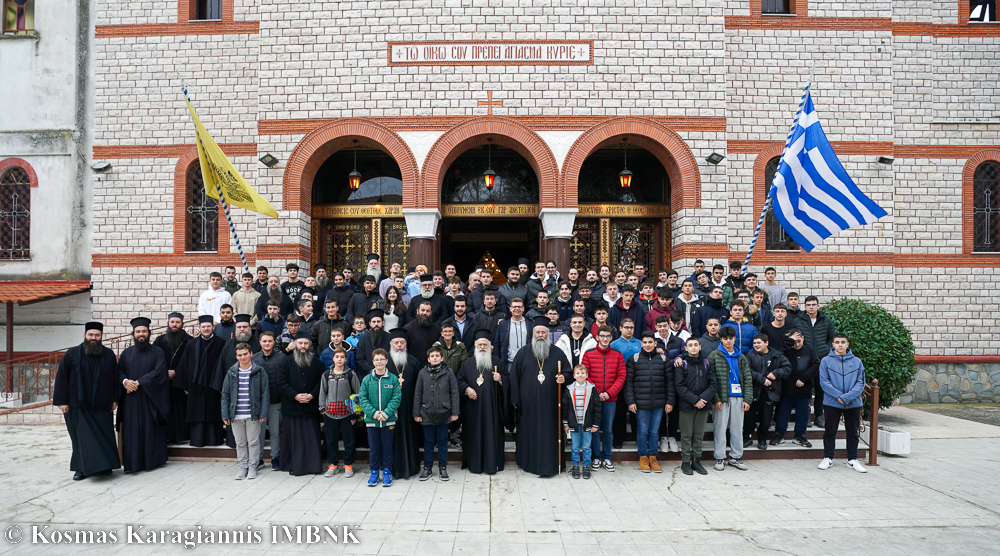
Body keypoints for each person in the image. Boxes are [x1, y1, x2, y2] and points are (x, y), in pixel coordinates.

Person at [53, 322, 121, 480]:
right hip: (77, 406)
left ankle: (105, 467)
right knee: (80, 439)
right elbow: (61, 378)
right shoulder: (71, 354)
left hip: (102, 406)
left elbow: (114, 379)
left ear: (101, 336)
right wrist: (62, 402)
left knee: (104, 436)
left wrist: (114, 399)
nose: (93, 338)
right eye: (90, 335)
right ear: (84, 335)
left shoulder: (109, 354)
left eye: (97, 335)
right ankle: (81, 469)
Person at [509, 318, 569, 476]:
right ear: (533, 334)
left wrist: (564, 378)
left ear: (547, 334)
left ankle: (551, 464)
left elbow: (569, 372)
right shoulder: (523, 352)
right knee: (529, 434)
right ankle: (528, 463)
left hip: (550, 405)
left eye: (543, 332)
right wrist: (515, 400)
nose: (540, 335)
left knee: (549, 434)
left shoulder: (557, 352)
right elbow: (513, 377)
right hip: (528, 405)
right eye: (538, 332)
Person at [117, 317, 170, 474]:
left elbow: (160, 372)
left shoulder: (157, 352)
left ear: (149, 333)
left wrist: (139, 382)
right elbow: (119, 371)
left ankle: (151, 462)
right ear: (133, 333)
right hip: (131, 400)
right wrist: (126, 382)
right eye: (138, 332)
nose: (141, 334)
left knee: (150, 430)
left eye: (144, 332)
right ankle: (133, 463)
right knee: (132, 431)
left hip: (150, 399)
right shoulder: (126, 353)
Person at [456, 331, 507, 475]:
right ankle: (474, 464)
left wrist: (501, 379)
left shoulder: (498, 363)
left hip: (493, 410)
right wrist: (467, 389)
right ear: (475, 347)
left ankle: (493, 464)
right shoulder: (468, 363)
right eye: (480, 345)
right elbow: (459, 381)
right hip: (473, 410)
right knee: (473, 435)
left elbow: (509, 382)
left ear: (490, 347)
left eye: (485, 344)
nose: (482, 347)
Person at [173, 315, 228, 447]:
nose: (206, 329)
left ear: (213, 327)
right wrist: (185, 385)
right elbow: (184, 365)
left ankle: (214, 440)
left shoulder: (221, 343)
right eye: (203, 327)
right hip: (195, 388)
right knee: (197, 414)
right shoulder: (191, 344)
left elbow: (225, 364)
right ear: (199, 328)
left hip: (214, 387)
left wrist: (223, 386)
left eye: (209, 326)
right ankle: (198, 440)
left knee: (213, 413)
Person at [818, 334, 868, 473]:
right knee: (830, 431)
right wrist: (839, 396)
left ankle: (852, 459)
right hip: (832, 403)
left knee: (852, 432)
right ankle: (828, 458)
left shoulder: (857, 362)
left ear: (847, 344)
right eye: (837, 342)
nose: (840, 345)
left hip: (853, 403)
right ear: (832, 344)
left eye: (843, 342)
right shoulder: (826, 361)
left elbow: (860, 382)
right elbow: (824, 382)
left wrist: (848, 397)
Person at [277, 333, 324, 476]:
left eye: (305, 343)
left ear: (309, 345)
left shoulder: (317, 362)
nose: (303, 346)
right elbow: (281, 383)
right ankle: (293, 465)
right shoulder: (285, 362)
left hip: (310, 407)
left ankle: (313, 466)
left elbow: (320, 382)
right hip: (292, 408)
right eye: (300, 343)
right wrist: (295, 396)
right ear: (295, 344)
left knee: (311, 440)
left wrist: (311, 395)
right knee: (294, 440)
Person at [624, 331, 672, 473]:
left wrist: (669, 401)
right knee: (643, 430)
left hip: (658, 402)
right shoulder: (634, 359)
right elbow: (629, 383)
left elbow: (669, 382)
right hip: (641, 403)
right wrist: (631, 401)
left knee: (654, 431)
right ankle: (643, 456)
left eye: (650, 342)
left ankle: (653, 457)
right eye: (644, 342)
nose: (647, 345)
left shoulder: (663, 359)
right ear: (641, 344)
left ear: (655, 343)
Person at [707, 326, 753, 472]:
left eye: (731, 338)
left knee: (737, 428)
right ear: (721, 339)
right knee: (720, 428)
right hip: (721, 398)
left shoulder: (741, 357)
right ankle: (719, 457)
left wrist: (747, 399)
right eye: (725, 338)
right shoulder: (714, 355)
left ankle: (735, 457)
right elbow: (710, 379)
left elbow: (747, 379)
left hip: (738, 397)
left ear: (734, 339)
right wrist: (715, 399)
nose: (728, 341)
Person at [220, 342, 268, 480]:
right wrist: (225, 413)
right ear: (236, 356)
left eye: (245, 354)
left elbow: (265, 393)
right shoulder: (232, 372)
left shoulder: (259, 371)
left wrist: (263, 413)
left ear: (251, 353)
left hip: (253, 414)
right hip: (236, 414)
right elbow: (225, 394)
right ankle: (242, 467)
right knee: (240, 442)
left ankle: (253, 467)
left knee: (253, 442)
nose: (243, 357)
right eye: (240, 355)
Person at [581, 325, 626, 472]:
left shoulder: (618, 354)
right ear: (597, 337)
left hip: (611, 399)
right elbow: (585, 375)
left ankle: (607, 456)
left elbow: (621, 376)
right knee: (594, 429)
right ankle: (596, 457)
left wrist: (609, 393)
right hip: (594, 399)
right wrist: (597, 393)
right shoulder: (588, 354)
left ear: (611, 338)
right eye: (603, 336)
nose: (605, 339)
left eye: (608, 336)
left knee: (608, 430)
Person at [413, 345, 461, 481]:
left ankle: (443, 467)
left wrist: (454, 412)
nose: (435, 358)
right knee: (428, 442)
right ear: (428, 358)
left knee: (442, 441)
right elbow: (418, 393)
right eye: (432, 356)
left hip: (444, 413)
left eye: (437, 356)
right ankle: (427, 467)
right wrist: (416, 413)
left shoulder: (449, 372)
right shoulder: (422, 373)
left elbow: (454, 392)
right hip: (426, 412)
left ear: (442, 358)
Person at [358, 348, 402, 487]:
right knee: (374, 447)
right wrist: (374, 413)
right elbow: (363, 399)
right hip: (372, 421)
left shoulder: (393, 379)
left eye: (382, 359)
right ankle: (374, 472)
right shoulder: (366, 380)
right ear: (373, 362)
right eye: (376, 360)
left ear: (386, 361)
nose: (379, 362)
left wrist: (385, 413)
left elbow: (396, 398)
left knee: (387, 447)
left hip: (388, 420)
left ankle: (387, 472)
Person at [675, 337, 716, 476]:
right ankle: (685, 461)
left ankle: (697, 461)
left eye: (695, 345)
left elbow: (713, 385)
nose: (693, 347)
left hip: (703, 405)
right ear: (685, 348)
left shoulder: (707, 363)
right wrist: (694, 400)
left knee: (699, 434)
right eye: (690, 345)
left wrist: (702, 399)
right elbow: (679, 386)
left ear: (700, 347)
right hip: (687, 405)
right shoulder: (682, 364)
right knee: (686, 435)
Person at [772, 328, 820, 447]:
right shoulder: (785, 351)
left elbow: (816, 365)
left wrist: (804, 378)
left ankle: (799, 436)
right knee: (783, 413)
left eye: (799, 341)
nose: (797, 344)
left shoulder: (810, 350)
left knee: (803, 414)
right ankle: (779, 435)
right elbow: (776, 355)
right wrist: (789, 342)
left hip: (804, 389)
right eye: (794, 341)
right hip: (786, 389)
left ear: (803, 338)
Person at [386, 328, 422, 480]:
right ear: (391, 344)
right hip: (389, 408)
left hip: (409, 407)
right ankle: (391, 467)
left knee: (410, 436)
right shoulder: (384, 361)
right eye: (396, 342)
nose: (399, 345)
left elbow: (420, 386)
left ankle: (412, 466)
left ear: (405, 344)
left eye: (402, 342)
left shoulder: (413, 361)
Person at [319, 348, 361, 478]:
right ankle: (333, 464)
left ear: (345, 359)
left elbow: (358, 394)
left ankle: (348, 465)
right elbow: (322, 392)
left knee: (349, 440)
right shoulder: (326, 374)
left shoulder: (351, 374)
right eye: (337, 357)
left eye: (342, 357)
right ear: (333, 358)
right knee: (331, 440)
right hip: (330, 413)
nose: (339, 359)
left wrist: (355, 412)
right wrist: (322, 408)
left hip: (347, 414)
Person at [796, 296, 837, 428]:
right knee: (805, 390)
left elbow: (832, 338)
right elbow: (795, 339)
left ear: (818, 306)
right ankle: (806, 415)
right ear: (805, 306)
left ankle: (819, 416)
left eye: (814, 304)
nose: (811, 307)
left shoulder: (826, 321)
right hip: (805, 360)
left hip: (822, 360)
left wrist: (825, 349)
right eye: (808, 305)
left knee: (820, 389)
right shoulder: (798, 321)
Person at [745, 333, 791, 450]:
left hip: (769, 392)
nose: (756, 345)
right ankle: (748, 437)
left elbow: (787, 368)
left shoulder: (777, 355)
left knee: (765, 418)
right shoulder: (749, 355)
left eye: (759, 343)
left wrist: (776, 373)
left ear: (766, 343)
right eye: (754, 343)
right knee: (749, 417)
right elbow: (747, 370)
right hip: (753, 391)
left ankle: (762, 439)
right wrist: (762, 380)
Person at [152, 312, 192, 444]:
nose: (174, 325)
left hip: (181, 383)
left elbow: (192, 362)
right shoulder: (159, 340)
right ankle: (166, 436)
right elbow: (154, 361)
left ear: (182, 324)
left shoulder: (189, 341)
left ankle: (182, 436)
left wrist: (176, 373)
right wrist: (164, 373)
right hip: (164, 383)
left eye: (177, 322)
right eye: (172, 322)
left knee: (180, 410)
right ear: (168, 323)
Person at [252, 331, 286, 470]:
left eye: (270, 341)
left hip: (275, 401)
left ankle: (275, 457)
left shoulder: (282, 358)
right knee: (258, 433)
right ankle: (258, 458)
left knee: (275, 432)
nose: (267, 343)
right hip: (258, 403)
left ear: (274, 342)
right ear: (260, 342)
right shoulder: (253, 359)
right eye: (264, 341)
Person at [562, 364, 602, 480]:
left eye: (583, 373)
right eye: (578, 373)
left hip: (587, 424)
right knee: (574, 447)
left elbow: (597, 408)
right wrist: (566, 424)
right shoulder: (569, 389)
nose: (580, 375)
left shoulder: (592, 389)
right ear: (574, 376)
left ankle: (586, 466)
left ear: (587, 375)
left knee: (586, 447)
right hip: (574, 423)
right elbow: (565, 408)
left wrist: (595, 424)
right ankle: (575, 466)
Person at [494, 297, 530, 376]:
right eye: (514, 307)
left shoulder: (530, 324)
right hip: (509, 362)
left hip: (526, 362)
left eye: (519, 307)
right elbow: (497, 344)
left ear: (523, 309)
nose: (517, 309)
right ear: (510, 309)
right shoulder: (503, 324)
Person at [404, 300, 442, 368]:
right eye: (423, 310)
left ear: (431, 313)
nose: (425, 313)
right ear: (417, 311)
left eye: (427, 311)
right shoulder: (408, 329)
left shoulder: (437, 330)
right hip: (413, 367)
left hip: (433, 368)